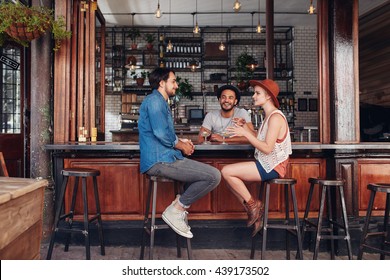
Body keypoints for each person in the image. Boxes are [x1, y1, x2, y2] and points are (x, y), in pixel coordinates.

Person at [138, 67, 221, 239]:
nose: (176, 85)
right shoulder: (155, 101)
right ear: (162, 83)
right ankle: (176, 210)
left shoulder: (160, 102)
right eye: (173, 81)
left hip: (165, 158)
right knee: (213, 176)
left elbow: (166, 132)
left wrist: (181, 143)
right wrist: (180, 145)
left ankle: (178, 206)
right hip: (158, 161)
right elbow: (160, 133)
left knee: (212, 175)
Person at [221, 79, 292, 236]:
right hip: (267, 163)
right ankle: (255, 212)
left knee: (226, 172)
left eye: (257, 93)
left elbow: (266, 148)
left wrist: (245, 133)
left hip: (273, 166)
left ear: (268, 96)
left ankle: (254, 205)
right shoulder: (268, 116)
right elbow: (259, 138)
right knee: (230, 182)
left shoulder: (275, 118)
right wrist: (245, 126)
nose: (253, 96)